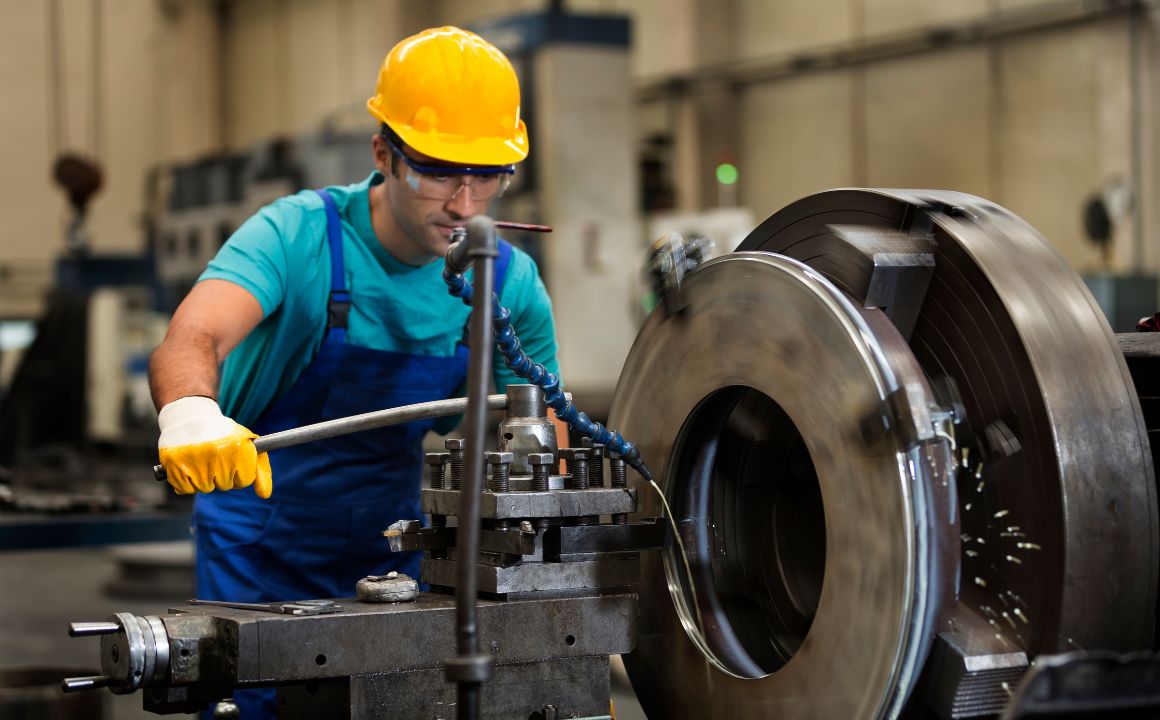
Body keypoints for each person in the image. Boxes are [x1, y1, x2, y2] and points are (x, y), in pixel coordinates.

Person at [149, 26, 559, 718]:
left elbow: (545, 426)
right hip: (259, 545)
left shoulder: (509, 282)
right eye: (436, 170)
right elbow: (193, 336)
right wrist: (190, 412)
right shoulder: (299, 236)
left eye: (485, 175)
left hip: (393, 547)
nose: (463, 204)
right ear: (383, 153)